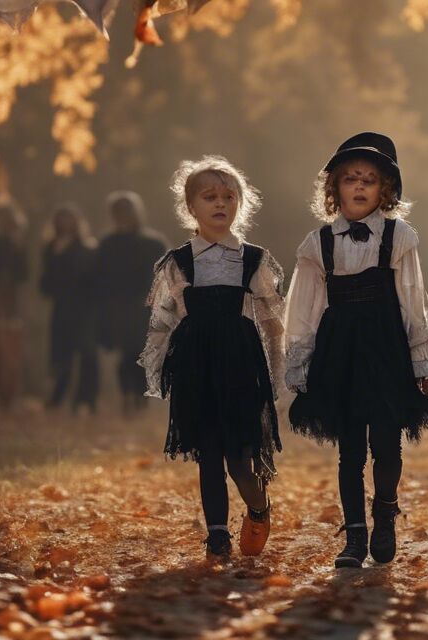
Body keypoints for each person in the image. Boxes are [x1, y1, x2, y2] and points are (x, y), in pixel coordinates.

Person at [284, 132, 428, 568]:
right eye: (350, 178)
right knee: (349, 448)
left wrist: (422, 357)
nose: (358, 185)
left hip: (387, 349)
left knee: (387, 446)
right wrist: (300, 361)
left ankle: (385, 515)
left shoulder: (398, 236)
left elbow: (413, 298)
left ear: (384, 190)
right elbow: (305, 308)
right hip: (341, 352)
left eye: (369, 180)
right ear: (334, 188)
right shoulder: (318, 244)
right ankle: (354, 534)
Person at [140, 157, 285, 560]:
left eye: (228, 197)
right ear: (191, 207)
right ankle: (217, 535)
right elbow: (162, 320)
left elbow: (273, 321)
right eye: (210, 197)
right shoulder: (178, 262)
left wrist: (280, 372)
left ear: (241, 204)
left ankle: (258, 506)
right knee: (207, 453)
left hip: (239, 362)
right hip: (195, 365)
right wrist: (157, 366)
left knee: (240, 458)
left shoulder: (252, 260)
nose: (220, 204)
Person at [96, 190, 168, 413]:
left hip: (146, 307)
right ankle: (128, 396)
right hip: (118, 307)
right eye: (118, 212)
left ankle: (138, 397)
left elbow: (164, 276)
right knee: (126, 353)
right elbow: (101, 277)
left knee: (141, 353)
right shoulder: (107, 244)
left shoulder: (153, 243)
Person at [39, 204, 100, 413]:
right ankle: (57, 398)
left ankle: (86, 400)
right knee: (61, 354)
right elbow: (46, 279)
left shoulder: (88, 247)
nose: (65, 223)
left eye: (69, 219)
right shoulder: (51, 247)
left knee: (87, 354)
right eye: (61, 219)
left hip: (84, 309)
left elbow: (91, 279)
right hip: (62, 307)